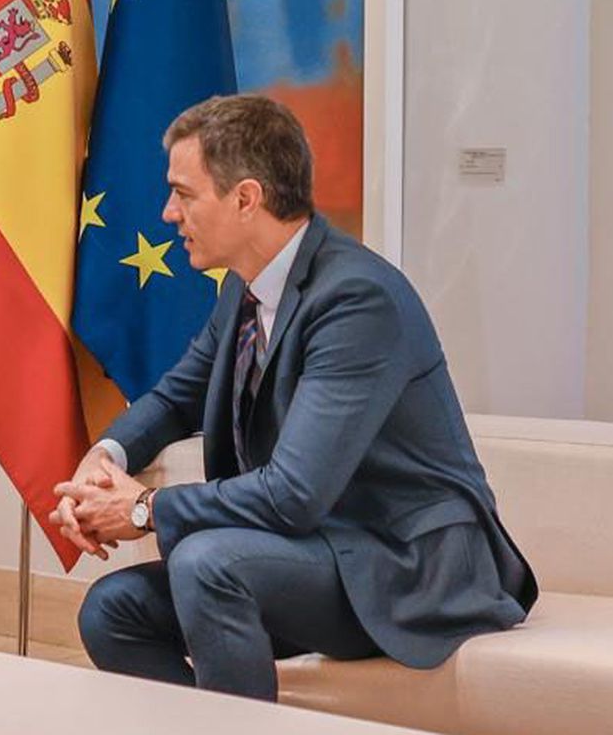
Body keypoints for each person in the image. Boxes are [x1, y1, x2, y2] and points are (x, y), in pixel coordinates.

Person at [52, 96, 538, 701]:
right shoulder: (245, 290)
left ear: (246, 198)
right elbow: (176, 399)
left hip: (405, 566)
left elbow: (293, 494)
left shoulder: (357, 300)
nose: (168, 213)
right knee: (112, 609)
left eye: (183, 194)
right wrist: (104, 458)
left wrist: (144, 509)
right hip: (315, 550)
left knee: (208, 562)